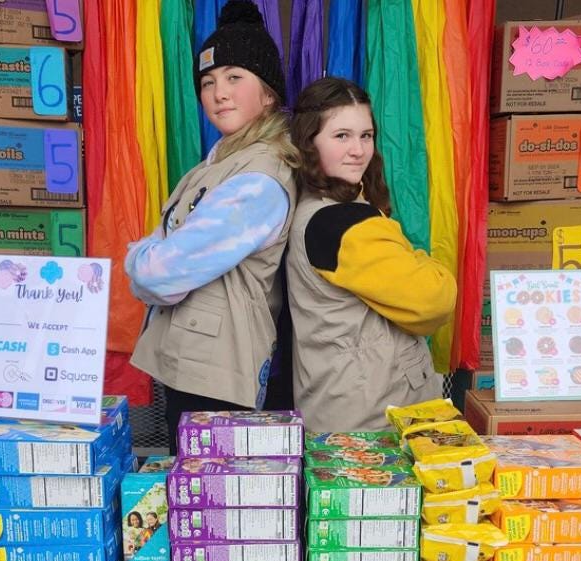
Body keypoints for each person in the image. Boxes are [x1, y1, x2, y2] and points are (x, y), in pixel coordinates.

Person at [127, 0, 299, 452]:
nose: (219, 92)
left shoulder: (257, 178)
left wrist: (138, 259)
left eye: (234, 78)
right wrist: (157, 256)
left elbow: (158, 272)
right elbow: (168, 255)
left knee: (214, 507)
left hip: (219, 374)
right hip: (198, 361)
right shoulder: (224, 160)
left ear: (268, 92)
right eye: (208, 81)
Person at [286, 77, 457, 431]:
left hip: (342, 406)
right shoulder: (341, 223)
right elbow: (434, 301)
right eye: (341, 136)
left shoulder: (318, 207)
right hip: (373, 421)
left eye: (366, 135)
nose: (358, 150)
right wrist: (419, 257)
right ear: (309, 142)